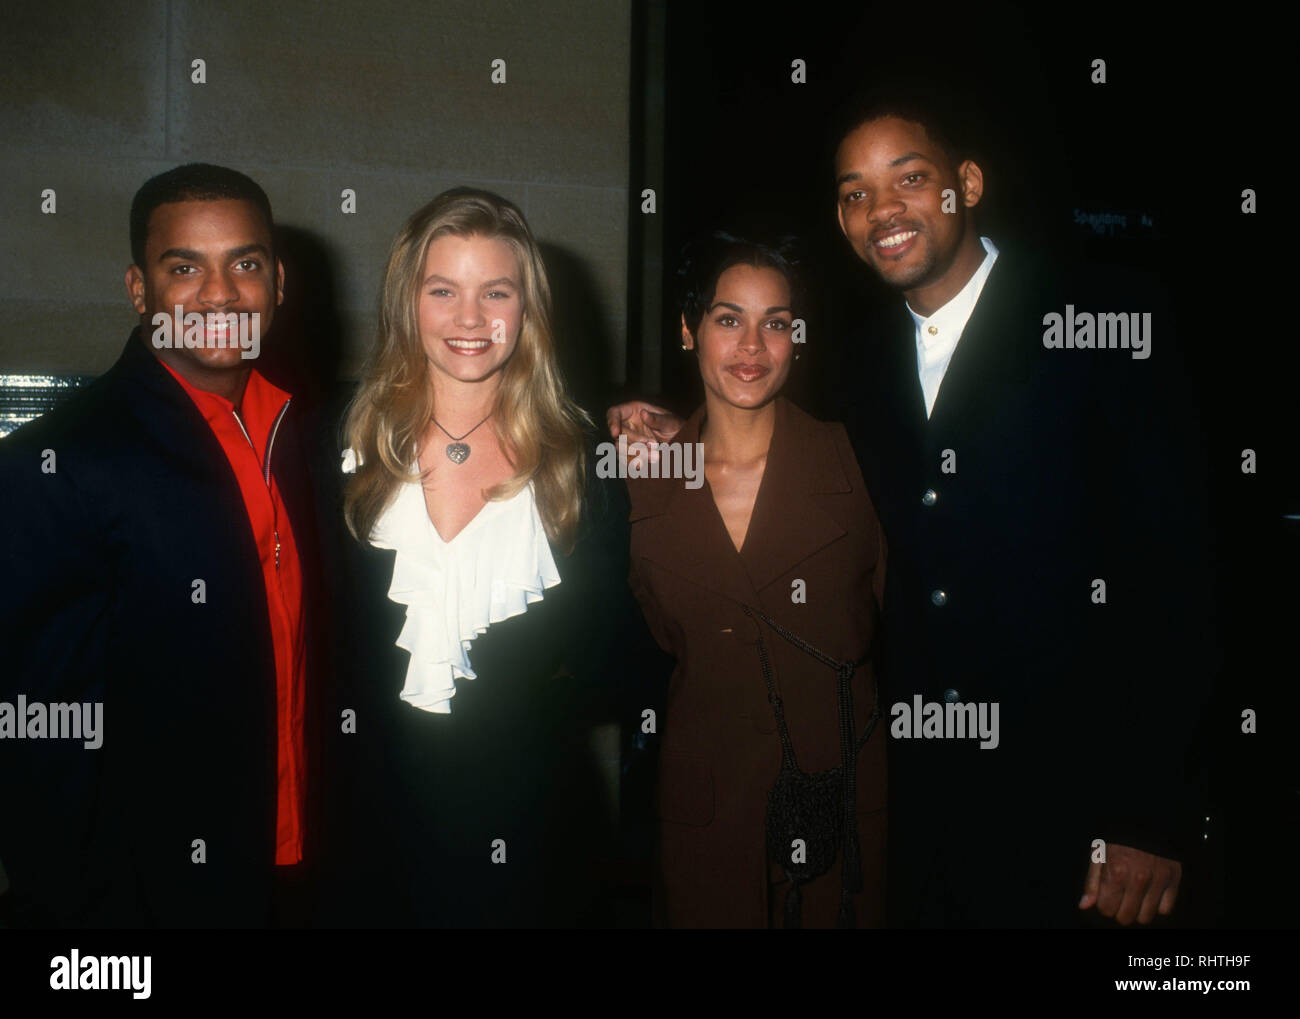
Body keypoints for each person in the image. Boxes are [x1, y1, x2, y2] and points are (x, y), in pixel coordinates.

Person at [610, 89, 1214, 928]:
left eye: (910, 177)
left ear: (966, 182)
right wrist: (667, 429)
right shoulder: (856, 367)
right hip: (913, 810)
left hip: (1080, 820)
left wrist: (1148, 813)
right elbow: (759, 436)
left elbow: (1178, 578)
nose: (881, 209)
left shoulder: (1104, 320)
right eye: (855, 192)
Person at [0, 163, 339, 927]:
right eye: (183, 267)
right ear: (138, 290)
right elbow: (33, 736)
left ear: (279, 282)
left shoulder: (307, 436)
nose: (218, 295)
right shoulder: (60, 462)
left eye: (244, 263)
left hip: (298, 880)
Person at [335, 187, 637, 927]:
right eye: (444, 290)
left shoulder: (585, 469)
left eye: (496, 291)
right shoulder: (338, 445)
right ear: (409, 303)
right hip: (370, 839)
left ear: (527, 310)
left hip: (534, 850)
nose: (470, 318)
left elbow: (615, 663)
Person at [625, 232, 887, 928]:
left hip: (845, 815)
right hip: (705, 821)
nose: (752, 346)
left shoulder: (859, 464)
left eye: (776, 322)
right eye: (727, 318)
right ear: (689, 330)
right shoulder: (638, 479)